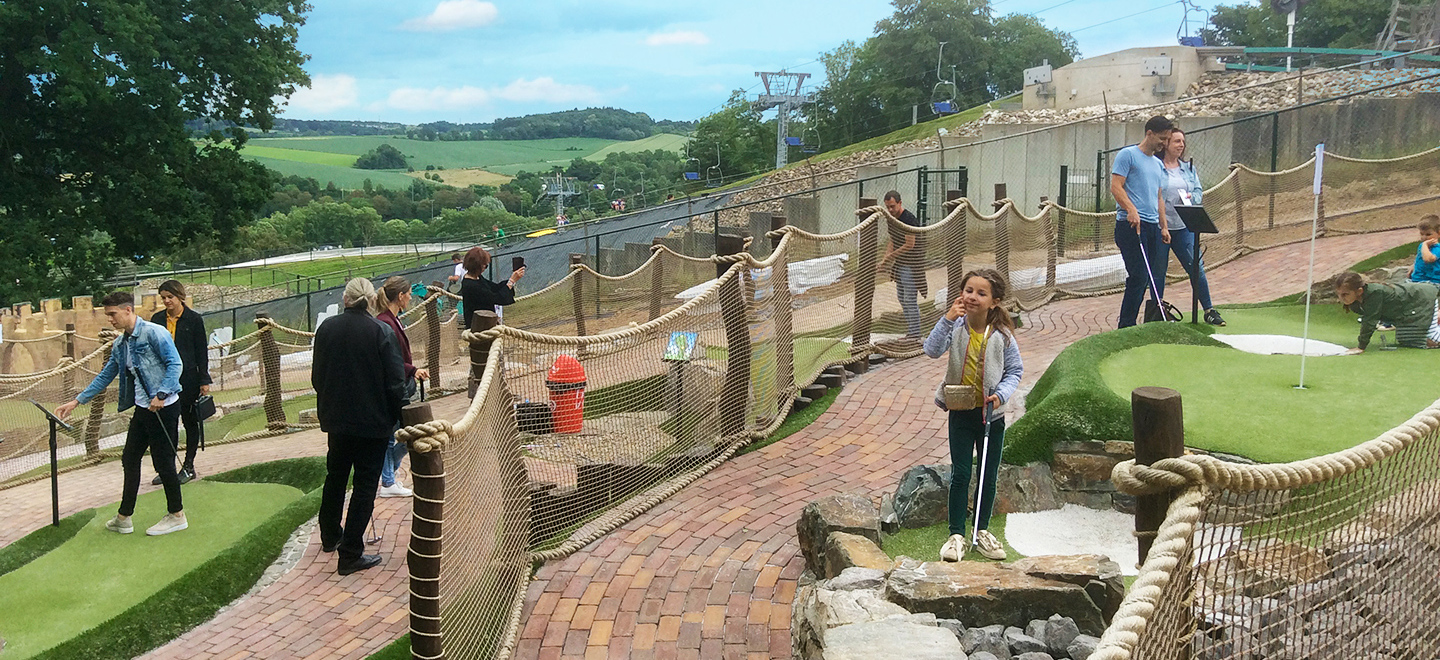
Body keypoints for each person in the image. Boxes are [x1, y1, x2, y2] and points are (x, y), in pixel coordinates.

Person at [56, 292, 188, 536]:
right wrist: (76, 401)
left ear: (128, 310)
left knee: (163, 462)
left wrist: (161, 395)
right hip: (142, 408)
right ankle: (124, 517)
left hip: (164, 407)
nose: (110, 320)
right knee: (129, 458)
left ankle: (177, 515)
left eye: (112, 314)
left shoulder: (153, 333)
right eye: (108, 315)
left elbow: (175, 364)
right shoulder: (120, 343)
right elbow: (107, 375)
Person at [923, 268, 1023, 562]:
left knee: (987, 475)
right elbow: (931, 350)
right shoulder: (955, 327)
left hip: (991, 416)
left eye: (981, 293)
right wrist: (947, 319)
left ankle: (981, 531)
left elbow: (1014, 371)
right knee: (961, 473)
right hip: (961, 412)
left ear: (995, 301)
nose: (973, 297)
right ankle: (956, 534)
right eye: (969, 291)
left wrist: (1001, 394)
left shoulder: (1002, 335)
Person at [312, 278, 407, 575]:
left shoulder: (326, 329)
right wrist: (399, 416)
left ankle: (330, 535)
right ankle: (351, 552)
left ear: (345, 299)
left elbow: (317, 377)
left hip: (337, 420)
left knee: (336, 476)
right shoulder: (380, 331)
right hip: (372, 421)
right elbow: (394, 381)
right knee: (365, 485)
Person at [1154, 129, 1226, 326]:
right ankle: (1157, 311)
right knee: (1158, 270)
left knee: (1196, 267)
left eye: (1183, 142)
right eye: (1176, 141)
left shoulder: (1188, 168)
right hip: (1162, 227)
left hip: (1184, 226)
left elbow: (1197, 190)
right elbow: (1154, 193)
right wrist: (1162, 224)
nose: (1181, 145)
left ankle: (1209, 310)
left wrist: (1190, 199)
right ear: (1166, 143)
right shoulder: (1156, 167)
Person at [1112, 115, 1174, 328]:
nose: (1164, 144)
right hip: (1130, 225)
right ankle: (1126, 325)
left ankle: (1132, 321)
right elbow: (1116, 186)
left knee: (1146, 277)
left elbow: (1158, 198)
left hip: (1151, 227)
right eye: (1162, 138)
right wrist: (1131, 209)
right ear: (1149, 133)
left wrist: (1164, 226)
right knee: (1138, 274)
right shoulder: (1127, 155)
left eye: (1167, 140)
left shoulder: (1157, 164)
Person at [148, 280, 211, 485]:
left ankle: (189, 465)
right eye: (163, 297)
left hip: (189, 378)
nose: (166, 301)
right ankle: (168, 468)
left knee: (190, 421)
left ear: (179, 297)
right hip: (165, 379)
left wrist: (204, 379)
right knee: (168, 423)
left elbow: (201, 351)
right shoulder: (157, 320)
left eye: (170, 297)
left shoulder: (193, 319)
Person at [373, 276, 430, 498]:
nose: (410, 298)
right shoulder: (385, 322)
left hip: (402, 382)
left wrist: (411, 370)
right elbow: (391, 359)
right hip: (393, 386)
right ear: (400, 296)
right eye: (408, 294)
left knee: (403, 433)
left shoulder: (393, 320)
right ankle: (388, 481)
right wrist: (411, 369)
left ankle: (389, 474)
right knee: (396, 433)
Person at [1334, 272, 1440, 353]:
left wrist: (1361, 347)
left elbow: (1370, 320)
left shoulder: (1374, 293)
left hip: (1422, 298)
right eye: (1338, 294)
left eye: (1345, 294)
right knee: (1406, 339)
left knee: (1433, 335)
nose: (1341, 298)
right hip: (1408, 308)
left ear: (1359, 291)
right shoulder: (1356, 303)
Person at [878, 190, 924, 339]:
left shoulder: (908, 219)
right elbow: (893, 239)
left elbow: (910, 244)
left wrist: (891, 256)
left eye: (892, 206)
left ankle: (915, 334)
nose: (890, 210)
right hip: (901, 263)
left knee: (910, 298)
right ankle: (911, 331)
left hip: (912, 264)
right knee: (901, 296)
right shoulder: (891, 219)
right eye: (887, 207)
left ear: (899, 203)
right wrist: (885, 259)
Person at [459, 246, 524, 328]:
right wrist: (511, 281)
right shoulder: (471, 285)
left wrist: (512, 279)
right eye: (484, 266)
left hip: (486, 323)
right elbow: (497, 298)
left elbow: (495, 287)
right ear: (477, 266)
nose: (485, 268)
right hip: (478, 326)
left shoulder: (478, 278)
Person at [1410, 215, 1440, 284]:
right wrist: (1414, 266)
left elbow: (1428, 259)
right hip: (1417, 279)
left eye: (1428, 234)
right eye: (1421, 234)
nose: (1424, 237)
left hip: (1432, 281)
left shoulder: (1437, 248)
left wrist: (1425, 245)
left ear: (1438, 234)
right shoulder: (1423, 246)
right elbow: (1420, 257)